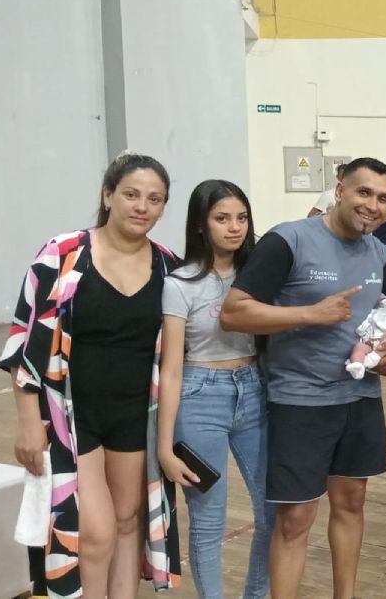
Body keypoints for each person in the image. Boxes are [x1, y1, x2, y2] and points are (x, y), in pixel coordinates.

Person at [220, 157, 386, 599]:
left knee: (351, 504)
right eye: (364, 192)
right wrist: (310, 313)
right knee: (295, 521)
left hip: (360, 399)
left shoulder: (376, 252)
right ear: (339, 189)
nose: (372, 205)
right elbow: (233, 313)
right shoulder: (288, 240)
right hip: (300, 403)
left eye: (383, 199)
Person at [0, 153, 181, 597]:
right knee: (93, 532)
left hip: (135, 413)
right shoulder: (61, 255)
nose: (142, 207)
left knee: (126, 521)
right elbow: (25, 342)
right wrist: (28, 425)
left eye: (154, 199)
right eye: (132, 194)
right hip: (70, 415)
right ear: (108, 195)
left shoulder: (169, 268)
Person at [156, 179, 274, 599]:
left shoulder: (258, 276)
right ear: (202, 225)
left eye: (242, 218)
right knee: (209, 522)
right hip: (198, 394)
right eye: (222, 218)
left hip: (254, 391)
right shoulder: (180, 283)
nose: (234, 227)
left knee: (273, 512)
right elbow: (170, 369)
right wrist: (165, 448)